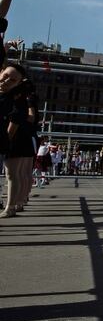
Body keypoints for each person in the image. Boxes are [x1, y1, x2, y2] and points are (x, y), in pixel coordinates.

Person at [0, 64, 34, 218]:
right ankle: (15, 203)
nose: (6, 81)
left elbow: (15, 124)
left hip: (15, 139)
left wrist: (6, 139)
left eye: (12, 80)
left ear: (18, 84)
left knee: (14, 174)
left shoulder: (18, 101)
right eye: (5, 76)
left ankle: (12, 205)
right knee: (16, 173)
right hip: (19, 138)